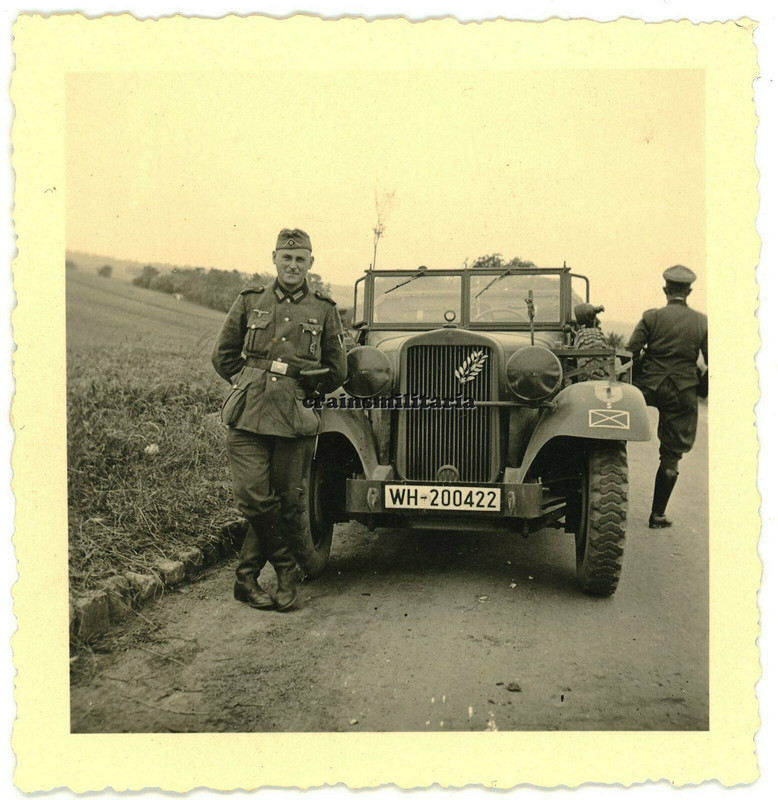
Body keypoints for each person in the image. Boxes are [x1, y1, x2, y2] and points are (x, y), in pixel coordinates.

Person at [212, 228, 347, 610]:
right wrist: (248, 383)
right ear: (274, 258)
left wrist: (305, 393)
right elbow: (222, 355)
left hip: (294, 418)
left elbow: (338, 370)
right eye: (286, 258)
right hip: (248, 414)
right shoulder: (250, 299)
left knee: (287, 503)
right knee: (254, 498)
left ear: (310, 264)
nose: (292, 265)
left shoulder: (324, 309)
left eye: (300, 259)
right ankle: (287, 571)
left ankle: (246, 578)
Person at [627, 265, 708, 528]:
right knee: (671, 455)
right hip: (683, 390)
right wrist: (701, 389)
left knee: (614, 428)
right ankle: (657, 515)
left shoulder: (651, 318)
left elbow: (631, 353)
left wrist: (635, 381)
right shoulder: (702, 321)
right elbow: (714, 362)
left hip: (648, 386)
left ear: (665, 290)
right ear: (689, 291)